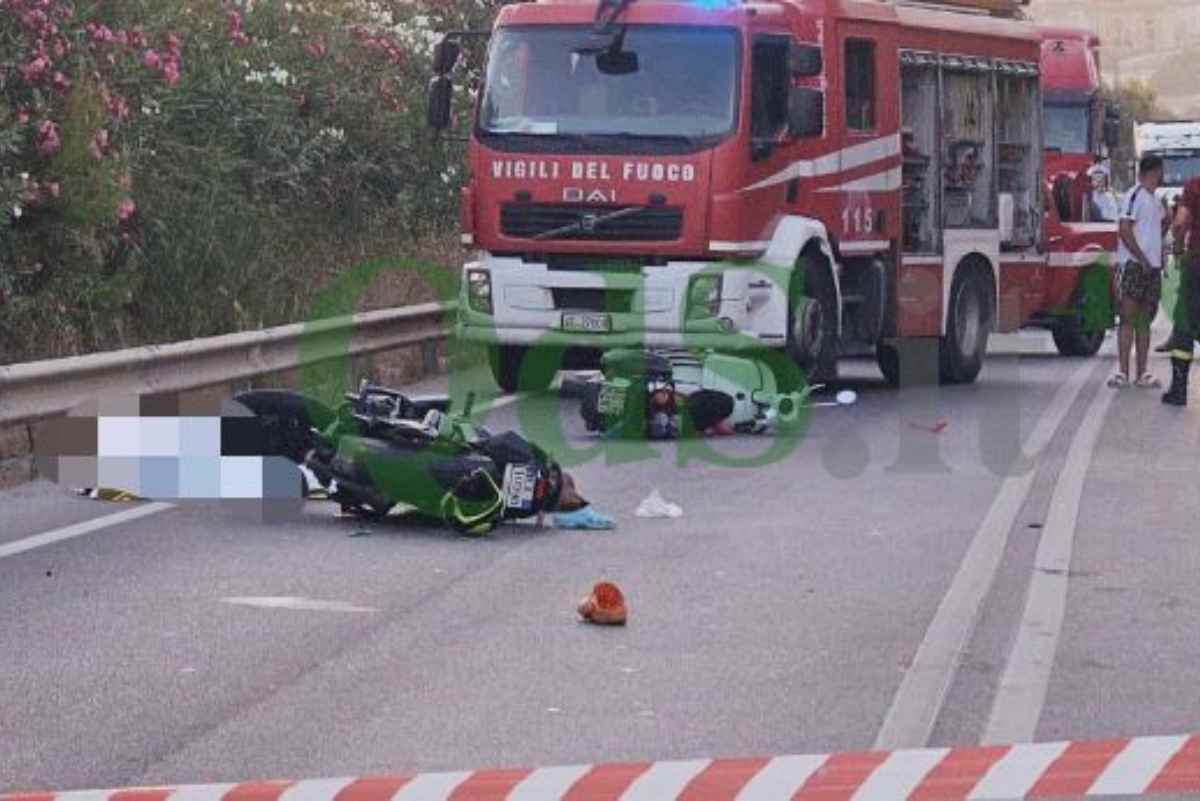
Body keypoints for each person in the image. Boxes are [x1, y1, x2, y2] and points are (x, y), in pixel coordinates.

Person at [1109, 154, 1167, 389]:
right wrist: (1141, 258)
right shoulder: (1134, 195)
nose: (1162, 176)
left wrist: (1167, 222)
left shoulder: (1156, 201)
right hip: (1134, 266)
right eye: (1161, 171)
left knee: (1144, 321)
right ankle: (1123, 372)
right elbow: (1124, 229)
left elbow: (1155, 232)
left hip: (1151, 268)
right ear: (1154, 171)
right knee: (1128, 318)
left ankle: (1142, 373)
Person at [1161, 176, 1200, 405]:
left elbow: (1179, 224)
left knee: (1184, 323)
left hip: (1196, 263)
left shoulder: (1195, 186)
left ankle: (1179, 389)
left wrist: (1177, 249)